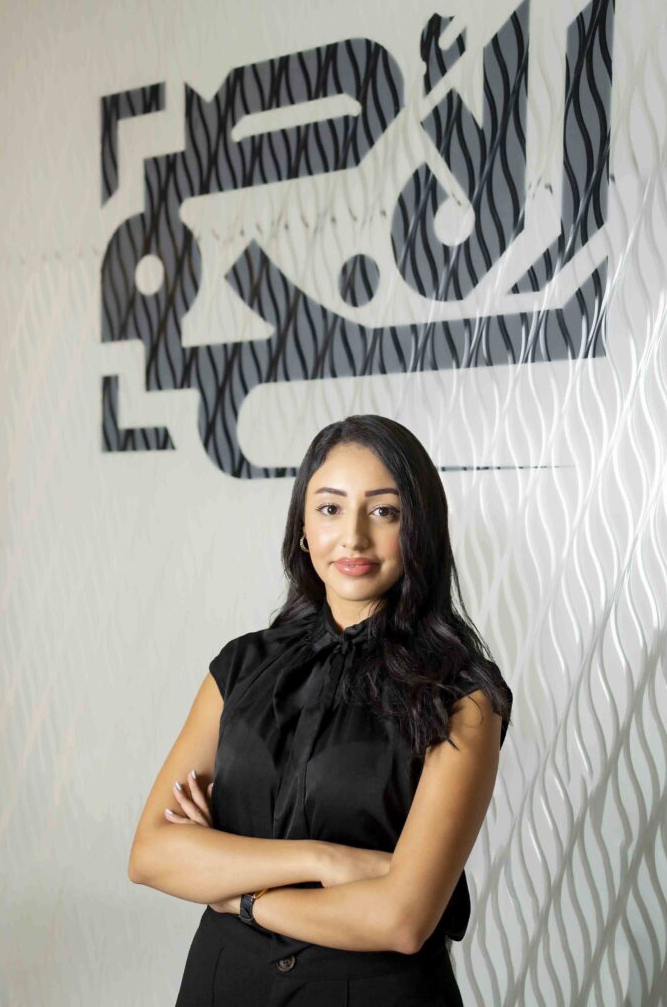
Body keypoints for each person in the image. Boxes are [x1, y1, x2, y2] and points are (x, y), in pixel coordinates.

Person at [128, 414, 513, 1006]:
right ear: (303, 528)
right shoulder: (239, 667)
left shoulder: (462, 693)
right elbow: (152, 854)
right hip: (223, 987)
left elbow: (402, 919)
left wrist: (238, 894)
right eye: (330, 508)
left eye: (384, 511)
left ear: (419, 530)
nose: (353, 537)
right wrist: (325, 861)